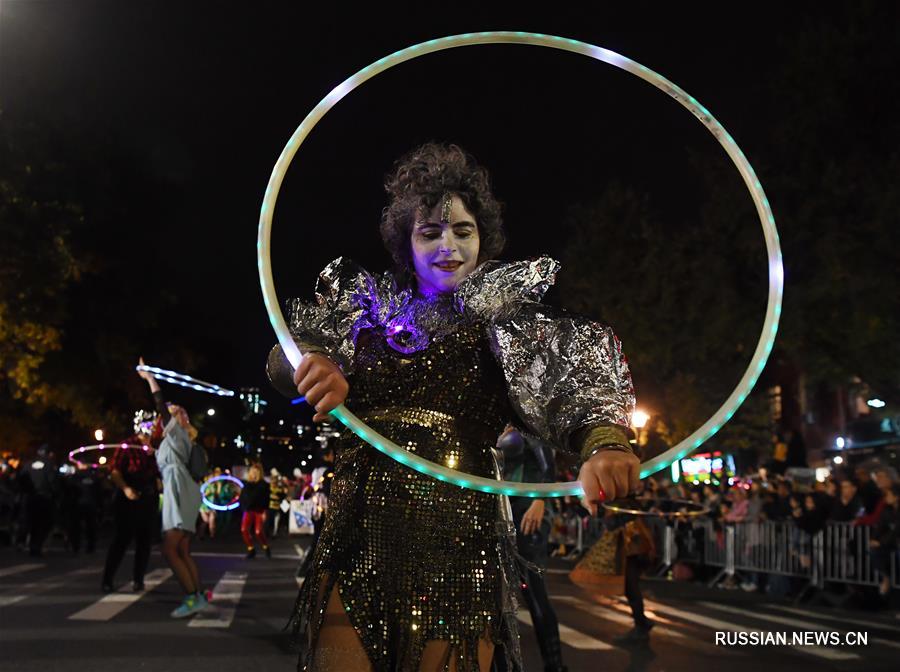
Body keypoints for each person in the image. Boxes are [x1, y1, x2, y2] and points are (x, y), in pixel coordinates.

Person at [266, 142, 639, 671]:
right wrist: (315, 363)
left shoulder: (507, 323)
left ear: (483, 238)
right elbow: (287, 353)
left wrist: (605, 444)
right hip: (358, 538)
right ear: (406, 241)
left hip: (458, 550)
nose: (449, 245)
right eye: (430, 232)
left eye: (463, 231)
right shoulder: (367, 310)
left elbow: (572, 387)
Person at [493, 425, 567, 672]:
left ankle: (555, 666)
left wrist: (540, 500)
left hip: (530, 509)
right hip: (505, 509)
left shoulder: (529, 420)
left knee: (534, 589)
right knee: (499, 593)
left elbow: (548, 467)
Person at [137, 359, 207, 618]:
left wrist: (149, 378)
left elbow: (159, 403)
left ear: (179, 419)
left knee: (169, 548)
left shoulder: (177, 432)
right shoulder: (172, 439)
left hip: (179, 491)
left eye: (173, 411)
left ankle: (192, 597)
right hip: (181, 490)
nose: (167, 412)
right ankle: (198, 594)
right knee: (182, 550)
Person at [102, 433, 160, 592]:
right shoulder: (127, 445)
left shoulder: (157, 446)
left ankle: (138, 579)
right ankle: (107, 579)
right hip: (128, 497)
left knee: (145, 541)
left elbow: (160, 472)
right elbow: (114, 470)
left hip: (149, 498)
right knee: (121, 539)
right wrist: (126, 488)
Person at [869, 483, 899, 597]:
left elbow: (896, 530)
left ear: (896, 496)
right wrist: (874, 539)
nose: (887, 498)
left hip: (894, 542)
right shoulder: (887, 510)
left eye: (889, 495)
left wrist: (880, 542)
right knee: (874, 552)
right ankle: (886, 577)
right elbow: (880, 526)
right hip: (890, 543)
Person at [240, 463, 271, 559]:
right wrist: (243, 507)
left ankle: (266, 547)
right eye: (252, 472)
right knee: (244, 529)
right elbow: (242, 497)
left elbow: (266, 499)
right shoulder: (246, 484)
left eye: (255, 472)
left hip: (259, 510)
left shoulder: (264, 485)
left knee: (258, 531)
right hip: (248, 510)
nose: (253, 474)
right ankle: (251, 549)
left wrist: (265, 512)